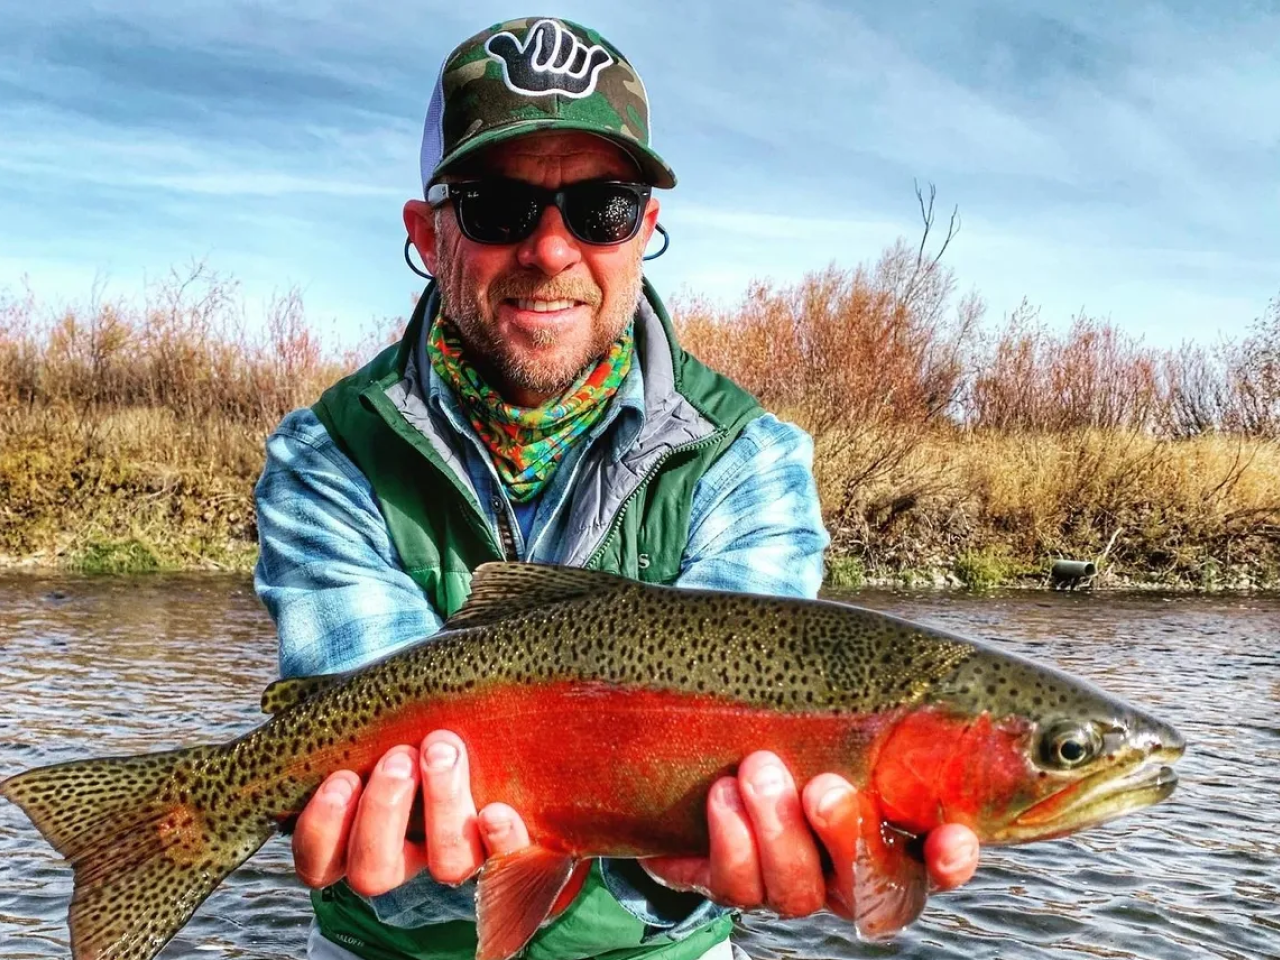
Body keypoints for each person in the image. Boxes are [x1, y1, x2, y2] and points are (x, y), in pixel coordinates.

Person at [254, 17, 981, 960]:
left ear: (645, 227)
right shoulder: (327, 454)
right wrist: (451, 858)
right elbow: (365, 738)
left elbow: (721, 757)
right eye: (497, 206)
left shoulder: (748, 460)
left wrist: (674, 864)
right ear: (428, 235)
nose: (552, 250)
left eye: (598, 206)